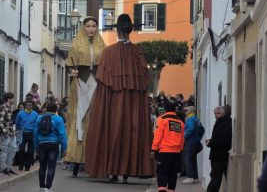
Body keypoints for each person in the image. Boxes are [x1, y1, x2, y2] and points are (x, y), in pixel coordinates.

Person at [85, 13, 154, 180]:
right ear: (130, 31)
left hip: (113, 105)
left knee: (113, 131)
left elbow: (103, 87)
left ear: (117, 31)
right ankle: (126, 172)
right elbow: (144, 84)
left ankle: (113, 172)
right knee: (132, 132)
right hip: (133, 107)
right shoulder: (138, 52)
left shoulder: (108, 52)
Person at [65, 16, 105, 177]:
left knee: (93, 117)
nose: (91, 28)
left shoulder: (101, 44)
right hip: (80, 82)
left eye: (94, 26)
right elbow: (70, 63)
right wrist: (71, 71)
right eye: (88, 26)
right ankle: (75, 159)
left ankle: (93, 159)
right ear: (84, 27)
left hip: (95, 82)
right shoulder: (77, 43)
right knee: (78, 118)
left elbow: (105, 63)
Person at [151, 101, 185, 192]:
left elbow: (158, 135)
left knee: (162, 173)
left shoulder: (162, 119)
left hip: (164, 151)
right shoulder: (180, 122)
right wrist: (180, 149)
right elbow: (182, 138)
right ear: (174, 110)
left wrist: (153, 149)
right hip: (176, 152)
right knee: (172, 174)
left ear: (165, 109)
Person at [34, 102, 68, 192]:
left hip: (42, 144)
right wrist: (64, 148)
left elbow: (35, 133)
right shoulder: (58, 119)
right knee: (51, 166)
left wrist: (36, 147)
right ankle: (48, 188)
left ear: (46, 109)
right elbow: (62, 135)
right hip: (53, 144)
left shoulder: (39, 118)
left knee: (42, 166)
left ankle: (41, 187)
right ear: (56, 110)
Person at [205, 106, 232, 192]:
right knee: (215, 177)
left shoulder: (225, 124)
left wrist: (211, 143)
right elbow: (218, 138)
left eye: (218, 113)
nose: (216, 115)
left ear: (223, 113)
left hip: (219, 155)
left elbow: (223, 140)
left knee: (215, 178)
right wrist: (211, 141)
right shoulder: (220, 123)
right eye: (215, 113)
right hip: (216, 154)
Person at [182, 106, 204, 184]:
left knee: (187, 158)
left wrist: (184, 136)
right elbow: (202, 130)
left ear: (191, 111)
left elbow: (191, 129)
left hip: (191, 141)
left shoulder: (190, 119)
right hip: (196, 141)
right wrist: (199, 138)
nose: (185, 112)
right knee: (193, 159)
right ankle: (195, 177)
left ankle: (190, 177)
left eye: (186, 110)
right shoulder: (197, 119)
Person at [0, 92, 17, 176]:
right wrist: (5, 131)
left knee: (13, 149)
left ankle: (8, 168)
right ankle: (2, 169)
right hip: (5, 134)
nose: (14, 99)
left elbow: (8, 122)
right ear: (8, 99)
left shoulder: (9, 108)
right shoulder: (3, 108)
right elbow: (0, 122)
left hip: (11, 133)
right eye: (12, 98)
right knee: (4, 151)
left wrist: (12, 131)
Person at [16, 99, 39, 171]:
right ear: (25, 105)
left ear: (32, 106)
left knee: (31, 151)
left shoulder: (35, 114)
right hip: (23, 133)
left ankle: (27, 166)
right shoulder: (20, 113)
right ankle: (21, 165)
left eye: (30, 105)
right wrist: (19, 129)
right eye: (28, 105)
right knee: (21, 149)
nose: (29, 106)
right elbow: (17, 123)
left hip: (32, 133)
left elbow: (37, 124)